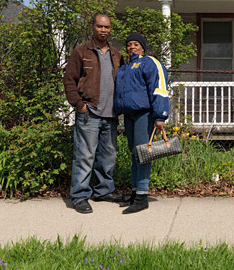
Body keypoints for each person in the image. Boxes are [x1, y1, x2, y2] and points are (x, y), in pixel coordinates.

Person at [63, 13, 124, 214]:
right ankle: (80, 195)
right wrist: (79, 105)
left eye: (106, 27)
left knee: (108, 156)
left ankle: (104, 190)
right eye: (100, 26)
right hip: (89, 112)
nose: (103, 30)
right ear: (93, 27)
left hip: (111, 114)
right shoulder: (81, 52)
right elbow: (69, 81)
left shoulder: (116, 54)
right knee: (84, 156)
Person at [113, 32, 169, 214]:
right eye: (129, 44)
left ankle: (142, 197)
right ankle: (135, 193)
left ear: (143, 46)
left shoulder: (150, 62)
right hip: (129, 115)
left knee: (143, 154)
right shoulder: (126, 67)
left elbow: (159, 87)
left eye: (135, 44)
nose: (131, 47)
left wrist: (160, 115)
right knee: (134, 154)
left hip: (144, 114)